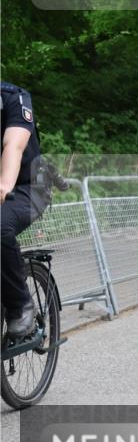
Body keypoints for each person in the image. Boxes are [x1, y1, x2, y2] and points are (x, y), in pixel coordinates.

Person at [1, 82, 44, 337]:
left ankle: (20, 305)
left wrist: (5, 184)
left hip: (30, 188)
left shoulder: (13, 98)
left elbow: (13, 146)